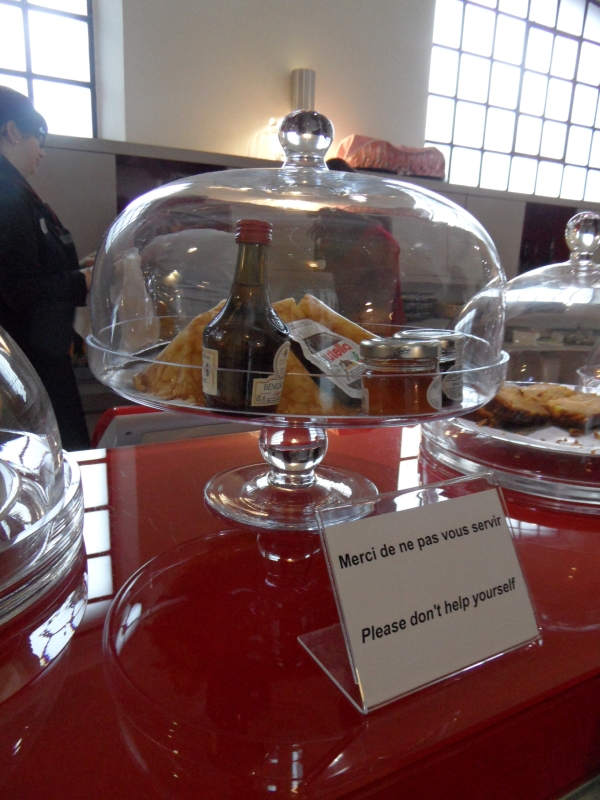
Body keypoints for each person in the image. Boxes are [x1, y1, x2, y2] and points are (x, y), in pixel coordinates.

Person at [0, 87, 92, 450]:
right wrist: (82, 280)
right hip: (27, 365)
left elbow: (30, 267)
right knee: (51, 456)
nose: (42, 151)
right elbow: (16, 288)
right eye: (37, 138)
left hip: (41, 357)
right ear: (12, 131)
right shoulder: (6, 193)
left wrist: (80, 269)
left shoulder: (17, 191)